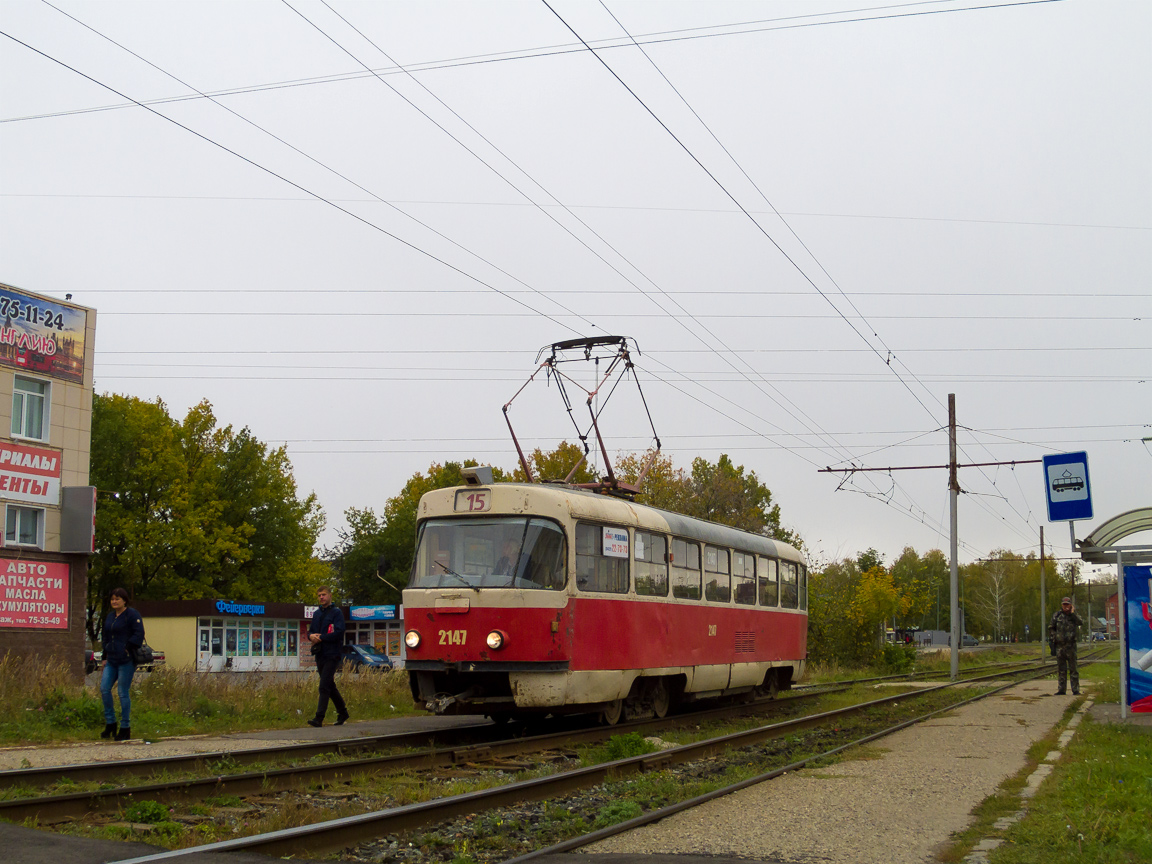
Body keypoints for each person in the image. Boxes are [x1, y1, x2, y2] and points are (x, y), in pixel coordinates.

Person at [100, 587, 145, 741]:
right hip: (111, 660)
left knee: (122, 693)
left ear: (124, 600)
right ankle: (110, 723)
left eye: (117, 599)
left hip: (126, 661)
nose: (114, 601)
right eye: (112, 599)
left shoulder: (132, 615)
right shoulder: (110, 617)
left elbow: (139, 634)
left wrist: (127, 648)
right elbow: (106, 635)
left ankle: (125, 727)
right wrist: (104, 654)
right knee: (104, 689)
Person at [307, 586, 348, 727]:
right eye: (319, 595)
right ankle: (343, 712)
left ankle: (319, 718)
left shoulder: (337, 613)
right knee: (329, 685)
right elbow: (311, 631)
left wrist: (322, 637)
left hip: (332, 654)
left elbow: (339, 632)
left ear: (330, 595)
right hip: (320, 653)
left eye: (324, 595)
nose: (321, 597)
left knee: (324, 685)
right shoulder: (317, 614)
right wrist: (311, 636)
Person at [1048, 596, 1083, 696]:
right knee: (1061, 669)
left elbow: (1080, 622)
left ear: (1071, 605)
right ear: (1061, 605)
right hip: (1060, 646)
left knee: (1073, 669)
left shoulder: (1074, 616)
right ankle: (1061, 689)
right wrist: (1054, 637)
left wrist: (1073, 613)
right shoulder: (1057, 615)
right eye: (1064, 604)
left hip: (1071, 646)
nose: (1066, 606)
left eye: (1067, 604)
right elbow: (1051, 627)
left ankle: (1075, 689)